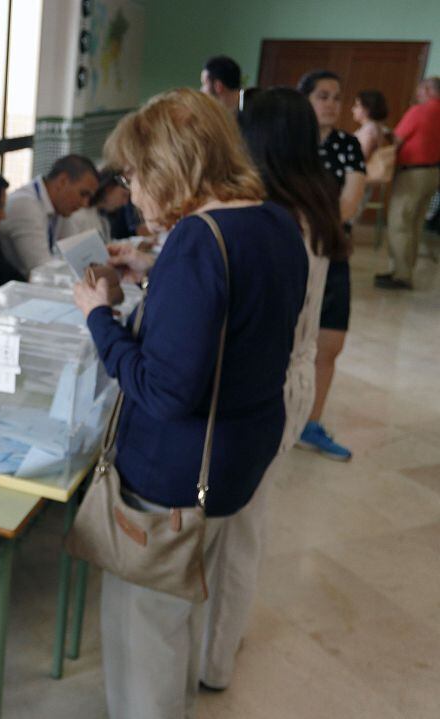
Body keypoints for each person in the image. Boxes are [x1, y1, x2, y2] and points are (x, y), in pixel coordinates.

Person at [71, 87, 307, 719]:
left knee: (142, 629)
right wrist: (155, 274)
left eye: (134, 175)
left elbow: (163, 389)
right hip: (238, 454)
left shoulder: (200, 240)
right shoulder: (274, 220)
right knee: (179, 610)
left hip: (175, 472)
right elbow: (237, 319)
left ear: (172, 165)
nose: (134, 192)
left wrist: (100, 319)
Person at [199, 87, 343, 692]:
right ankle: (221, 642)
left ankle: (214, 660)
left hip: (270, 383)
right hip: (291, 379)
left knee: (235, 531)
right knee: (245, 526)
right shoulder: (310, 203)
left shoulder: (278, 218)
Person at [297, 69, 365, 462]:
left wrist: (320, 231)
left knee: (330, 343)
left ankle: (311, 423)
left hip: (331, 251)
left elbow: (350, 201)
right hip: (293, 252)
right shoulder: (291, 144)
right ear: (305, 99)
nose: (332, 104)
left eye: (337, 97)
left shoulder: (348, 145)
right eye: (323, 95)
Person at [376, 76, 440, 290]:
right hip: (433, 173)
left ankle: (401, 275)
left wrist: (384, 132)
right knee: (415, 223)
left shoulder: (419, 111)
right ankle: (406, 271)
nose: (417, 94)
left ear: (429, 90)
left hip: (413, 173)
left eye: (420, 90)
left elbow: (397, 139)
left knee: (400, 222)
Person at [0, 154, 100, 276]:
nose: (85, 203)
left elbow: (76, 254)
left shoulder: (60, 206)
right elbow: (41, 270)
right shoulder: (25, 205)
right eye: (83, 194)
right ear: (62, 181)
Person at [352, 89, 390, 161]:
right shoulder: (373, 127)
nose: (353, 109)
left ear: (367, 109)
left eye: (357, 106)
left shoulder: (370, 129)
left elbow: (361, 157)